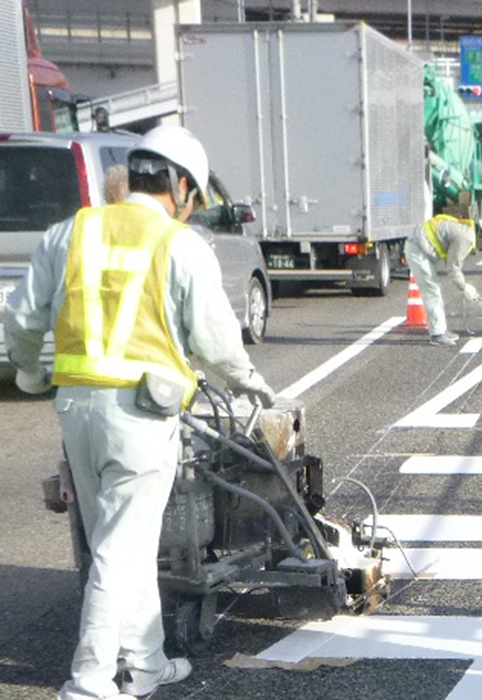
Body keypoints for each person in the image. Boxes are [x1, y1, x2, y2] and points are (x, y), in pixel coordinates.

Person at [4, 124, 276, 700]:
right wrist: (250, 383)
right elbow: (217, 341)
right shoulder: (179, 245)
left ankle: (147, 664)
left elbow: (22, 318)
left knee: (123, 539)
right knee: (118, 548)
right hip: (140, 415)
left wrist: (29, 370)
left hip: (76, 405)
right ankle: (91, 683)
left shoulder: (69, 232)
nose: (192, 207)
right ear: (180, 185)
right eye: (194, 197)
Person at [404, 213, 482, 346]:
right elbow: (453, 268)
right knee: (432, 290)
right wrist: (464, 287)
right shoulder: (467, 238)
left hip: (418, 245)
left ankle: (440, 329)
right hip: (417, 249)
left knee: (434, 288)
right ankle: (437, 334)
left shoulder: (467, 229)